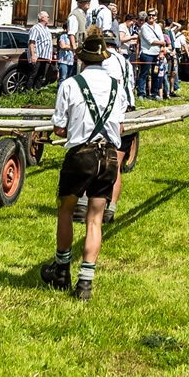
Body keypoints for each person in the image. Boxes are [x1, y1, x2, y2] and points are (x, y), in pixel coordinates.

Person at [40, 29, 133, 301]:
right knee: (95, 220)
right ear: (104, 57)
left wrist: (75, 129)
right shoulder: (116, 86)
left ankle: (61, 270)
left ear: (82, 58)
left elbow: (58, 128)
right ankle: (85, 283)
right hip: (108, 157)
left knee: (66, 211)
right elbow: (120, 125)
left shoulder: (70, 84)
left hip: (80, 154)